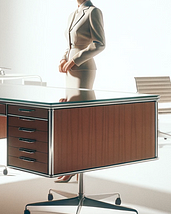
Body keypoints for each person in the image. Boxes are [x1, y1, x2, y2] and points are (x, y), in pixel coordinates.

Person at [56, 0, 105, 183]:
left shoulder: (93, 12)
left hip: (83, 69)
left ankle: (76, 165)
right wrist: (63, 58)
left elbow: (100, 43)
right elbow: (71, 45)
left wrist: (76, 59)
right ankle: (71, 164)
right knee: (69, 118)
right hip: (70, 69)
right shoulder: (73, 14)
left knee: (79, 121)